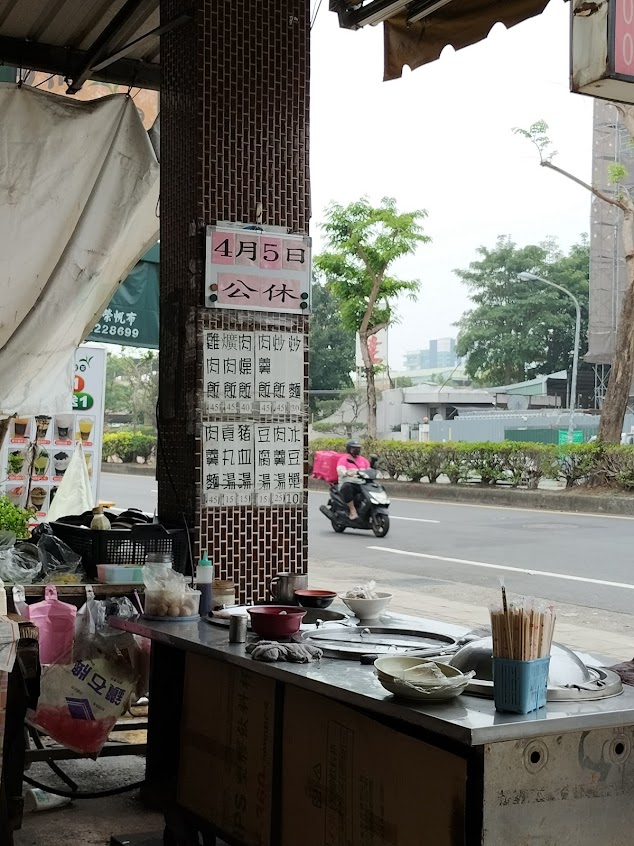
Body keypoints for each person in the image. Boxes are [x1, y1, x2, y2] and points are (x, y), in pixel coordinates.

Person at [336, 439, 370, 521]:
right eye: (354, 449)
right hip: (348, 482)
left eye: (358, 449)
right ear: (349, 449)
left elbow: (368, 470)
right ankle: (352, 510)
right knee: (347, 487)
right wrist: (346, 472)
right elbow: (340, 470)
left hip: (360, 483)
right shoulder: (344, 459)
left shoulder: (363, 460)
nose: (356, 450)